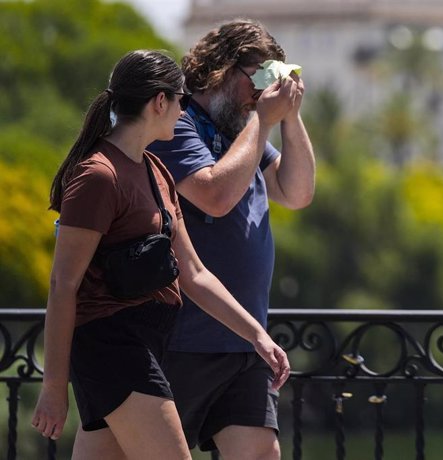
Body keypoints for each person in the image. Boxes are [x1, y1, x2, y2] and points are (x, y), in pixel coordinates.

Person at [30, 49, 290, 460]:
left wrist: (256, 335)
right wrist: (53, 388)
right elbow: (64, 286)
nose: (184, 111)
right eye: (181, 100)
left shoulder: (156, 170)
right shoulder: (98, 175)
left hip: (150, 343)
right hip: (112, 347)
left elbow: (195, 273)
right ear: (159, 102)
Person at [147, 18, 315, 460]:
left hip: (245, 338)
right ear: (223, 67)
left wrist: (290, 119)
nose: (262, 92)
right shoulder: (176, 124)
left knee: (262, 454)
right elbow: (214, 196)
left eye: (274, 78)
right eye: (259, 76)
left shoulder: (243, 132)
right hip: (183, 337)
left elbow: (296, 192)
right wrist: (263, 119)